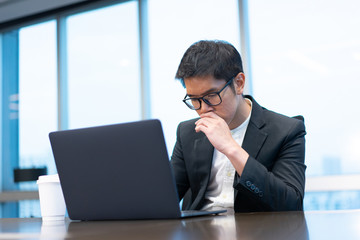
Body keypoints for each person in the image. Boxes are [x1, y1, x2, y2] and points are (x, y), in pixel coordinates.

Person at [170, 40, 306, 213]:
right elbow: (164, 196)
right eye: (194, 100)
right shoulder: (188, 132)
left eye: (211, 95)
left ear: (239, 83)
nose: (203, 109)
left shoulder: (287, 130)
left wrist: (231, 148)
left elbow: (290, 204)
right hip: (199, 231)